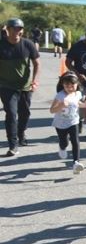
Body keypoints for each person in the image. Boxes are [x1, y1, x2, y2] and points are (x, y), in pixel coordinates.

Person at [0, 18, 40, 156]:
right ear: (8, 30)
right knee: (11, 113)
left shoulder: (28, 44)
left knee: (25, 113)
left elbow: (37, 63)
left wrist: (34, 81)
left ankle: (21, 132)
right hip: (6, 86)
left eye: (20, 29)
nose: (17, 32)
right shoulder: (1, 45)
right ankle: (13, 144)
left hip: (25, 86)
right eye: (14, 29)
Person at [50, 72, 86, 173]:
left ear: (77, 84)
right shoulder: (60, 96)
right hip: (60, 123)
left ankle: (76, 162)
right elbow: (52, 110)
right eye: (66, 85)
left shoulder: (78, 94)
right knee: (64, 141)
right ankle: (62, 147)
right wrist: (61, 106)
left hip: (73, 121)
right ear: (62, 84)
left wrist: (85, 105)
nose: (69, 88)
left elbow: (78, 104)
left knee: (75, 140)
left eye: (72, 85)